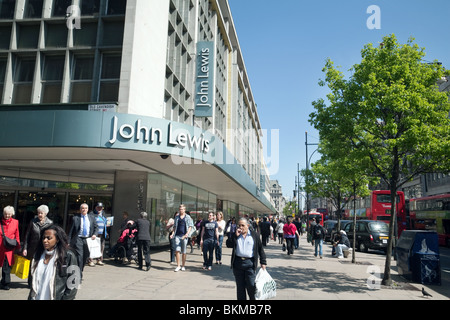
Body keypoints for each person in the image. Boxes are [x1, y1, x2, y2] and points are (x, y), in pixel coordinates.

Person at [28, 225, 78, 300]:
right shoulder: (37, 255)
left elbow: (74, 282)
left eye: (49, 238)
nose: (45, 240)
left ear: (57, 239)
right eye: (43, 238)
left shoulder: (68, 255)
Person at [230, 217, 267, 300]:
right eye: (239, 225)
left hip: (249, 263)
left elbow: (260, 249)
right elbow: (229, 244)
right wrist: (235, 236)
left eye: (243, 225)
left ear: (248, 225)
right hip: (238, 263)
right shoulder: (236, 235)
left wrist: (263, 262)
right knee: (240, 287)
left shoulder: (254, 235)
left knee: (251, 285)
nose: (240, 227)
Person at [22, 205, 53, 287]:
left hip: (44, 248)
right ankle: (30, 282)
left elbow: (52, 237)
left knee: (42, 265)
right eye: (38, 213)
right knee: (32, 265)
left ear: (45, 213)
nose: (39, 215)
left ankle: (39, 282)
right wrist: (25, 248)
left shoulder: (50, 223)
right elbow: (27, 236)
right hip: (33, 247)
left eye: (41, 213)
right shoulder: (33, 222)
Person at [68, 203, 98, 275]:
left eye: (85, 208)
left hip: (88, 239)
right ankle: (79, 273)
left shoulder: (91, 217)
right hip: (78, 238)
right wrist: (68, 241)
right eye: (82, 208)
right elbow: (70, 230)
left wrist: (94, 234)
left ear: (87, 209)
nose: (84, 210)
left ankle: (81, 270)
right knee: (79, 256)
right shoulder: (75, 218)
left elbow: (96, 227)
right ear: (80, 209)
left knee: (85, 256)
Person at [0, 206, 20, 290]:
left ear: (12, 214)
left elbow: (17, 234)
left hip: (9, 248)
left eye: (9, 214)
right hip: (0, 247)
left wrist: (18, 246)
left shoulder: (15, 222)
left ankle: (5, 283)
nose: (7, 215)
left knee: (6, 267)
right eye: (5, 214)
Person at [170, 204, 194, 272]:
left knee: (184, 251)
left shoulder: (188, 217)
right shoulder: (177, 217)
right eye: (180, 209)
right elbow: (175, 226)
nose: (181, 210)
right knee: (177, 250)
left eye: (182, 209)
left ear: (184, 210)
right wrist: (172, 234)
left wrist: (187, 234)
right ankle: (178, 266)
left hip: (184, 236)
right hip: (177, 235)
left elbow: (190, 226)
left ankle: (183, 266)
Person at [89, 202, 108, 266]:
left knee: (101, 247)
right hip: (94, 233)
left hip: (102, 233)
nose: (99, 208)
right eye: (98, 207)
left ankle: (99, 260)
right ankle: (90, 260)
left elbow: (105, 223)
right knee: (92, 247)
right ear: (95, 207)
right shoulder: (92, 214)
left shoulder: (103, 214)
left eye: (101, 207)